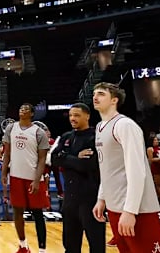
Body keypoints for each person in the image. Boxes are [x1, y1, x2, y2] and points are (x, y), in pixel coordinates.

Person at [91, 82, 160, 252]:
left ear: (114, 100)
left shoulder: (125, 125)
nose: (95, 97)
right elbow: (107, 168)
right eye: (94, 94)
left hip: (137, 209)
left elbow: (137, 171)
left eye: (101, 94)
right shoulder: (100, 127)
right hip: (115, 206)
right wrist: (101, 198)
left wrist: (130, 210)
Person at [51, 103, 104, 253]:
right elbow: (54, 159)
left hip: (90, 198)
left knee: (96, 243)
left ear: (87, 116)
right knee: (70, 243)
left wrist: (66, 158)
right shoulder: (67, 136)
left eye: (77, 115)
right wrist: (75, 158)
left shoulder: (95, 137)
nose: (72, 119)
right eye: (70, 116)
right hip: (70, 199)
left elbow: (87, 165)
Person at [1, 103, 50, 253]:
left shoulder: (39, 132)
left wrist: (37, 180)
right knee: (17, 212)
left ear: (32, 114)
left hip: (33, 178)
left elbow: (42, 159)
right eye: (21, 108)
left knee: (37, 214)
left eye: (26, 109)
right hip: (16, 176)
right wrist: (4, 172)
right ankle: (23, 245)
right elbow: (7, 153)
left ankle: (42, 250)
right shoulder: (11, 128)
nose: (22, 110)